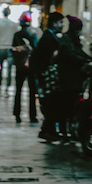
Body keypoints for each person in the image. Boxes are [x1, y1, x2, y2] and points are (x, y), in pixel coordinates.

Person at [32, 12, 65, 141]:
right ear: (54, 23)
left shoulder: (50, 36)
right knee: (51, 102)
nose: (62, 25)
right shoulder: (48, 38)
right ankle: (47, 130)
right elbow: (49, 56)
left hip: (45, 74)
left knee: (51, 102)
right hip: (46, 75)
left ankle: (49, 130)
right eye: (60, 22)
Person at [55, 15, 88, 140]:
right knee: (67, 106)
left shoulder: (71, 39)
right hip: (68, 79)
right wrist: (85, 60)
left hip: (72, 79)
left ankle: (68, 130)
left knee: (70, 106)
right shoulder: (67, 40)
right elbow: (71, 55)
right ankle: (65, 131)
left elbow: (78, 53)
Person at [11, 12, 37, 125]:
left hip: (20, 67)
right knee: (32, 92)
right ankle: (32, 115)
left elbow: (13, 50)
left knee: (18, 90)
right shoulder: (33, 35)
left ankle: (17, 114)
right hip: (31, 67)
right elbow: (36, 50)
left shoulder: (17, 35)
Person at [0, 5, 18, 91]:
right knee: (10, 69)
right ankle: (7, 85)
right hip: (10, 48)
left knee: (0, 68)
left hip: (0, 48)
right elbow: (16, 39)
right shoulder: (14, 25)